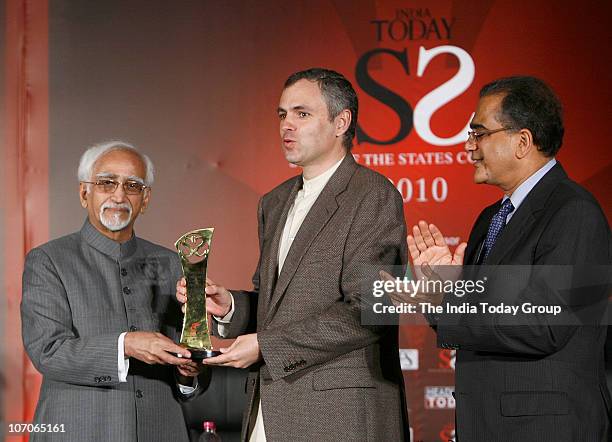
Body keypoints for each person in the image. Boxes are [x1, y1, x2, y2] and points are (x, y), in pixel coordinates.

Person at [177, 68, 409, 441]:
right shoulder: (274, 201)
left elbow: (369, 311)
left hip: (339, 416)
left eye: (302, 114)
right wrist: (231, 308)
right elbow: (276, 306)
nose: (287, 125)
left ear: (341, 122)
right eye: (282, 114)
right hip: (268, 409)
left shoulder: (373, 195)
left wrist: (266, 346)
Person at [403, 77, 611, 441]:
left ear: (522, 141)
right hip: (489, 425)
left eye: (479, 133)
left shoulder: (573, 212)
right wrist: (444, 289)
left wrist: (449, 300)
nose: (468, 147)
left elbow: (545, 325)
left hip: (543, 428)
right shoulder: (491, 218)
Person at [21, 141, 205, 441]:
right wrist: (126, 345)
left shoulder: (173, 263)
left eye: (132, 186)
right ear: (85, 193)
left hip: (162, 430)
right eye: (106, 183)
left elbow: (190, 361)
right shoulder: (49, 260)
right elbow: (48, 352)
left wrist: (188, 372)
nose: (119, 195)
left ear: (145, 200)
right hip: (79, 430)